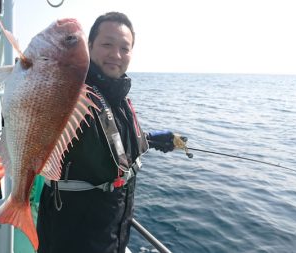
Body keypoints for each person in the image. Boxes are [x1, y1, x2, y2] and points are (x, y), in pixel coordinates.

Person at [37, 11, 185, 253]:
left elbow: (108, 143)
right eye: (107, 44)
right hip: (73, 238)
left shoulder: (118, 97)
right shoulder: (72, 93)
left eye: (125, 48)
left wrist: (150, 140)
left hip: (114, 233)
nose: (116, 55)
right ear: (90, 46)